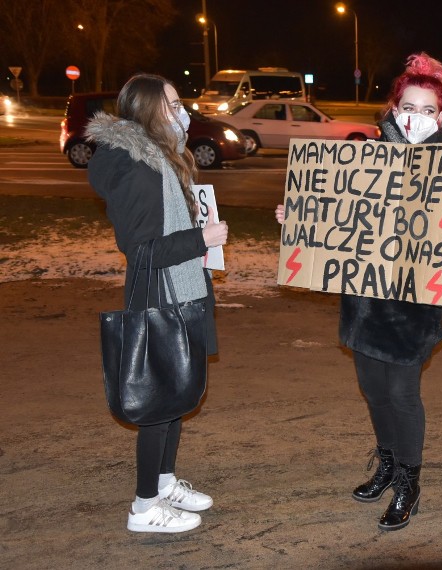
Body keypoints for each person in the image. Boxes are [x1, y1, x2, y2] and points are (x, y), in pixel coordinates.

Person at [275, 52, 442, 531]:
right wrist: (301, 220)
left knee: (402, 393)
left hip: (414, 305)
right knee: (373, 390)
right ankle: (388, 464)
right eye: (408, 107)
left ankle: (410, 480)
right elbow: (338, 214)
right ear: (393, 109)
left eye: (427, 110)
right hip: (365, 300)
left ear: (441, 115)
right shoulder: (364, 156)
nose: (416, 117)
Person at [87, 73, 229, 533]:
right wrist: (200, 239)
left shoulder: (162, 160)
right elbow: (142, 251)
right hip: (158, 295)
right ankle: (145, 508)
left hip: (181, 290)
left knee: (176, 395)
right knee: (157, 402)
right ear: (148, 109)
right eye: (171, 102)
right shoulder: (137, 167)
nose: (180, 109)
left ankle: (164, 482)